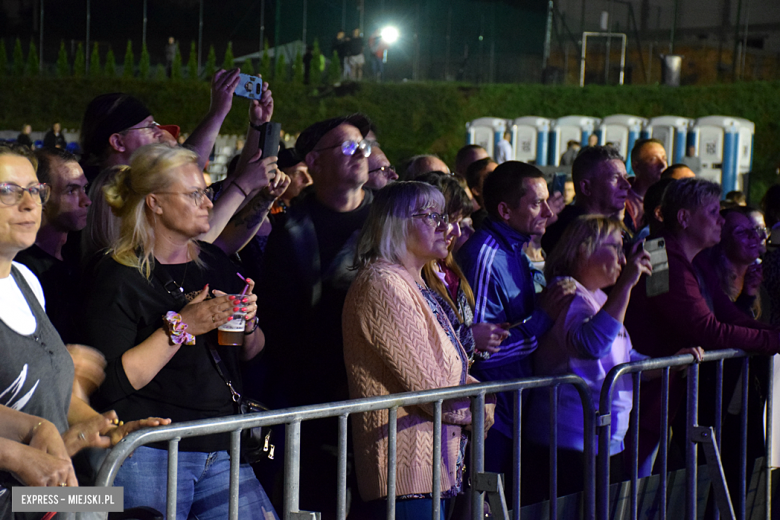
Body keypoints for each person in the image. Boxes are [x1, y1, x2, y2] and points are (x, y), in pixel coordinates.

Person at [81, 144, 276, 518]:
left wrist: (248, 323)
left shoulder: (216, 263)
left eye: (206, 192)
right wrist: (183, 326)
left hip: (222, 443)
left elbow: (251, 352)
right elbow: (112, 383)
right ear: (154, 202)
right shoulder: (118, 276)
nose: (207, 202)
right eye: (194, 194)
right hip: (151, 449)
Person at [0, 144, 169, 517]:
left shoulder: (26, 281)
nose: (29, 204)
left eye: (34, 190)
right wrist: (20, 448)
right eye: (7, 191)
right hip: (14, 500)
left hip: (38, 500)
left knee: (143, 511)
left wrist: (92, 425)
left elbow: (42, 396)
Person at [343, 181, 495, 519]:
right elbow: (432, 390)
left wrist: (477, 395)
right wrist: (479, 407)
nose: (448, 227)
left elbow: (449, 369)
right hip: (406, 472)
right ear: (396, 224)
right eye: (433, 216)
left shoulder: (414, 282)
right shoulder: (382, 285)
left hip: (434, 467)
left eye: (446, 216)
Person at [526, 215, 700, 499]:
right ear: (584, 247)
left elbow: (623, 359)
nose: (623, 257)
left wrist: (672, 362)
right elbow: (591, 345)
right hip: (567, 443)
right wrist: (627, 284)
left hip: (601, 441)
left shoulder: (599, 297)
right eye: (616, 247)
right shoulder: (566, 292)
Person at [254, 114, 373, 518]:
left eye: (363, 146)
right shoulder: (288, 227)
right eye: (346, 146)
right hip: (307, 395)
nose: (359, 154)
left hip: (374, 395)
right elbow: (275, 312)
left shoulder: (386, 223)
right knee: (313, 499)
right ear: (314, 162)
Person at [624, 178, 780, 477]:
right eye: (712, 212)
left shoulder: (696, 259)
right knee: (632, 493)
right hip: (644, 399)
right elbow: (706, 328)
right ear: (683, 218)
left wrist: (771, 336)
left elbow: (727, 314)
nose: (720, 220)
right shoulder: (660, 255)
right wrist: (772, 341)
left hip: (665, 395)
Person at [457, 161, 575, 499]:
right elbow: (478, 352)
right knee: (483, 504)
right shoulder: (484, 255)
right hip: (492, 413)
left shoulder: (515, 251)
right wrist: (543, 318)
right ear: (505, 210)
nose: (549, 213)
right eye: (537, 203)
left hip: (514, 407)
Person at [16, 148, 90, 344]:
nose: (86, 201)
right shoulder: (24, 270)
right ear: (41, 195)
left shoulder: (77, 256)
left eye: (85, 189)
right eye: (72, 190)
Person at [542, 145, 631, 253]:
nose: (627, 185)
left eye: (625, 177)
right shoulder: (569, 232)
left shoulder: (616, 224)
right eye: (615, 178)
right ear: (586, 187)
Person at [624, 138, 667, 231]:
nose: (662, 165)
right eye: (653, 159)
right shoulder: (620, 197)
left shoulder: (669, 198)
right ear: (636, 167)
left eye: (664, 159)